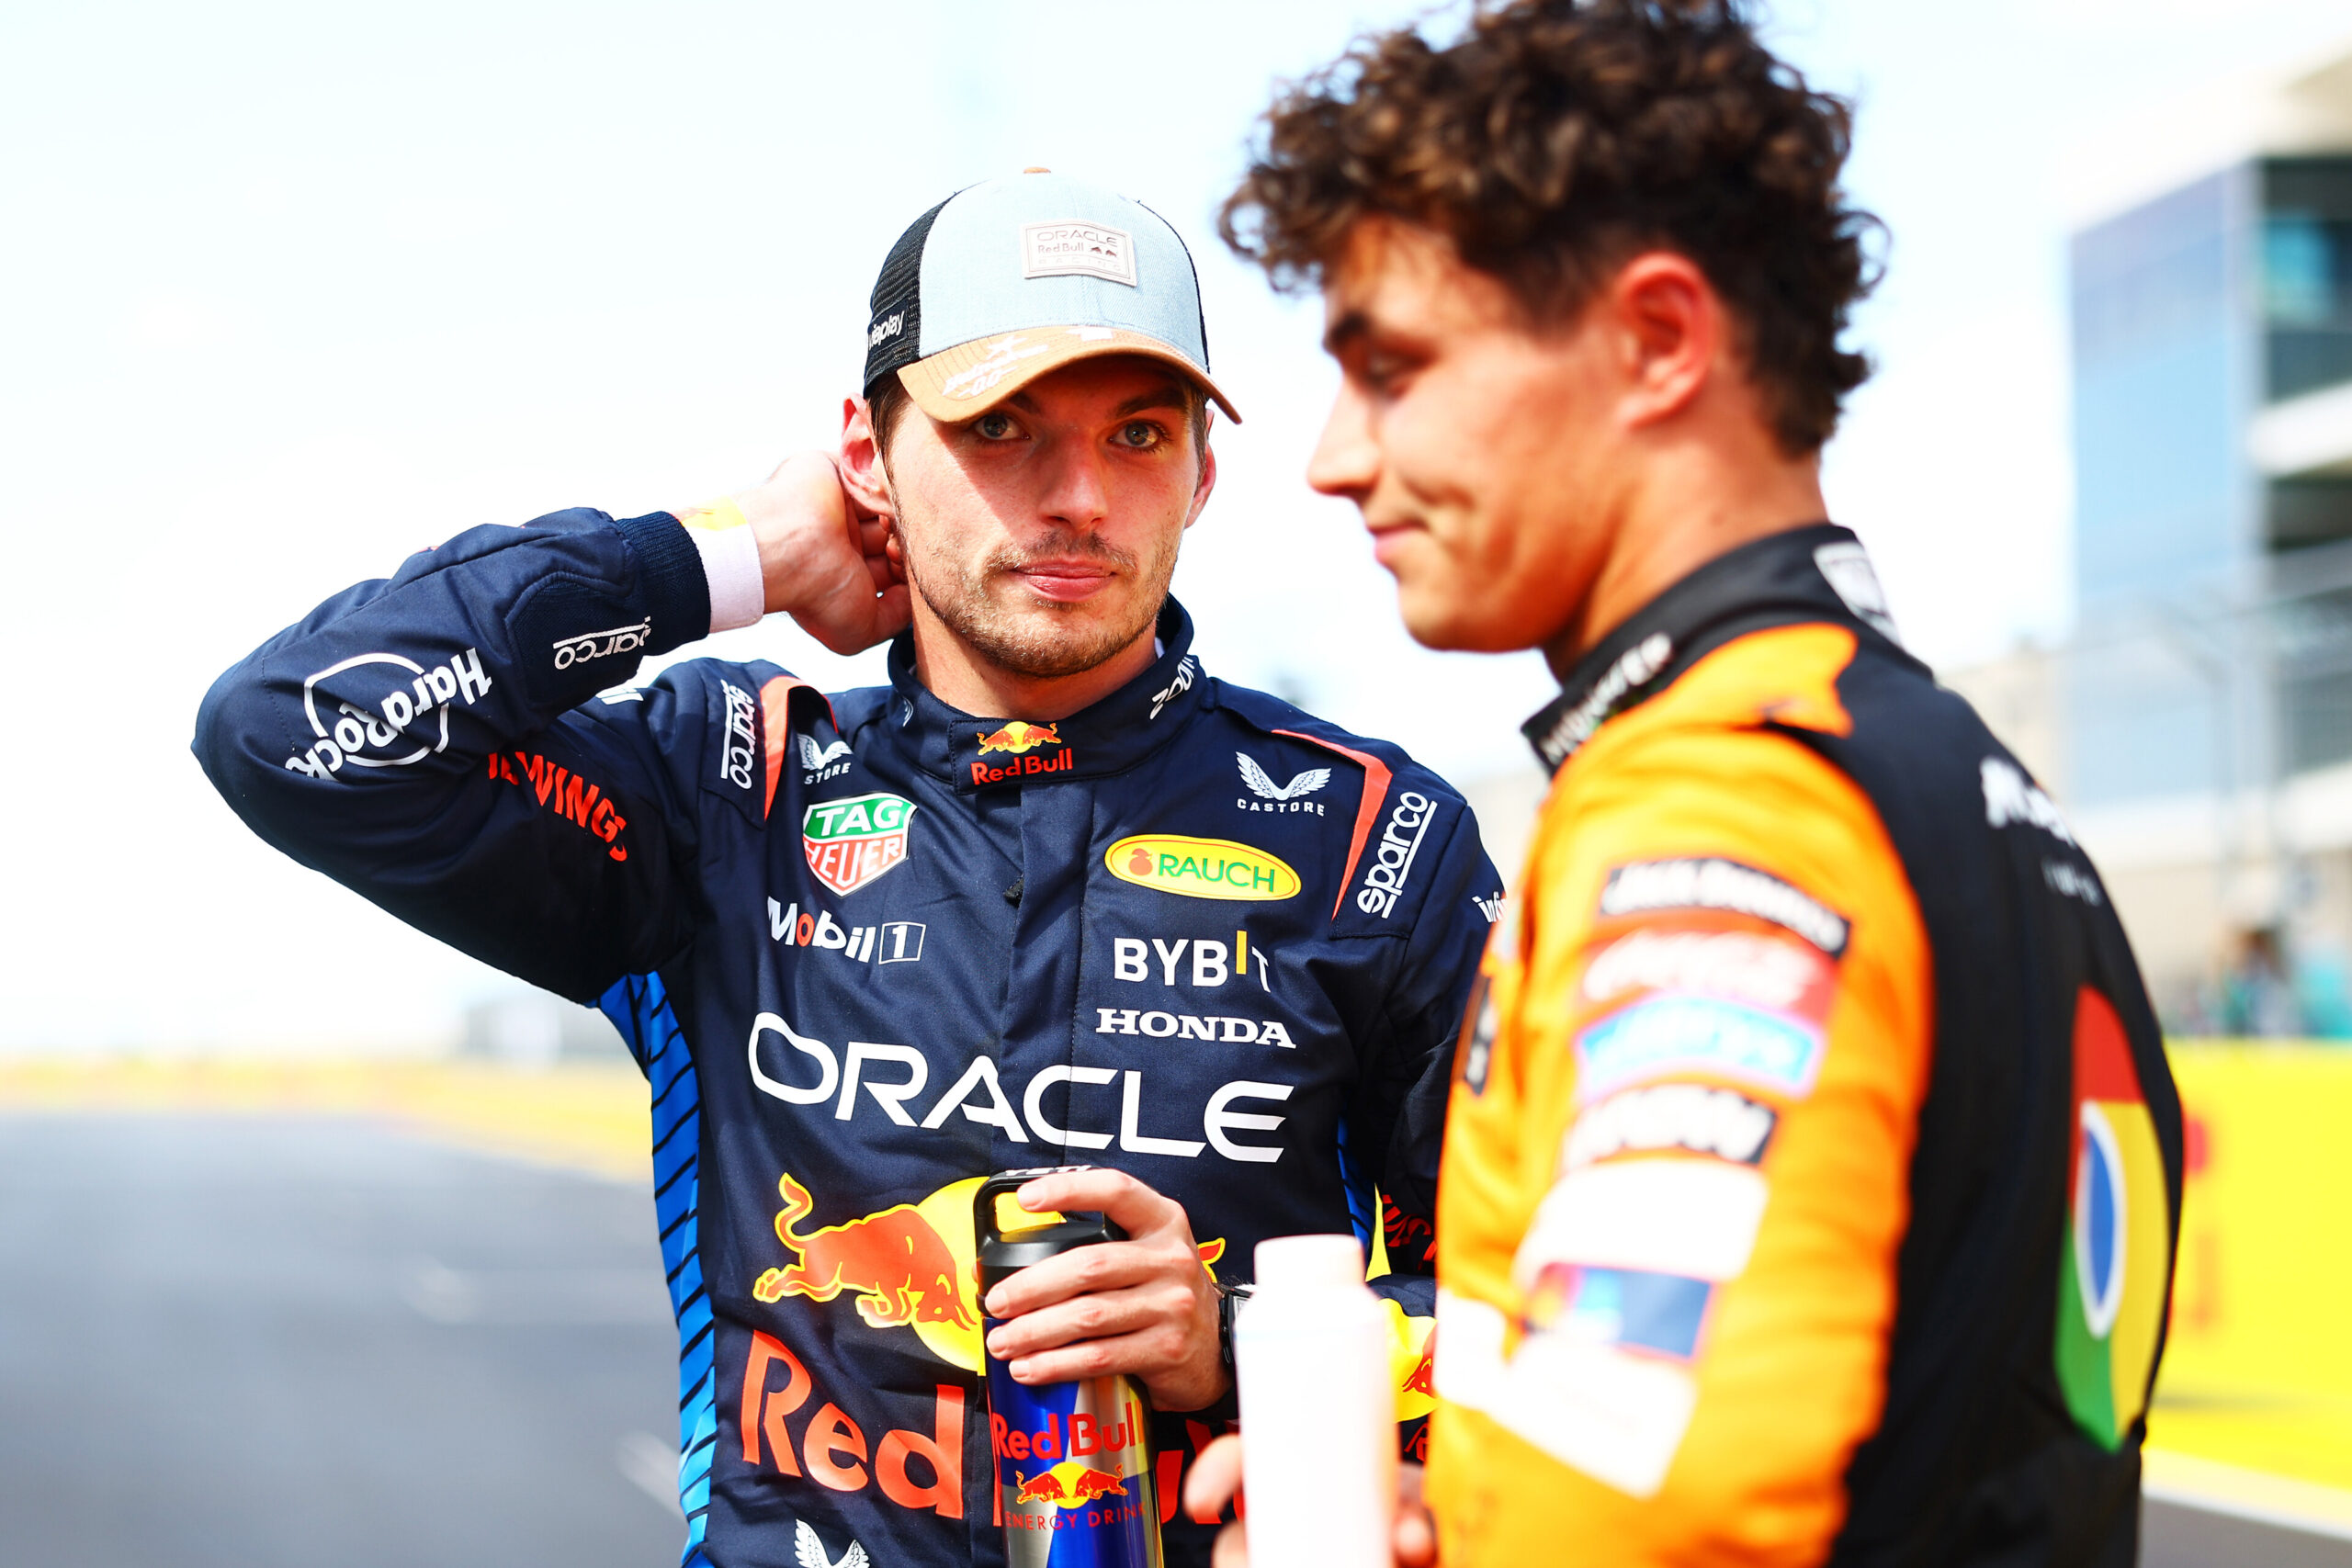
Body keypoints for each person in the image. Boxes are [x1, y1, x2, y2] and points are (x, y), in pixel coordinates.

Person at [193, 172, 1499, 1568]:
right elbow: (292, 729)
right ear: (867, 455)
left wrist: (1232, 1342)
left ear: (1204, 472)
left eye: (1139, 432)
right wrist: (732, 557)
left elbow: (1553, 1333)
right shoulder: (727, 785)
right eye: (999, 425)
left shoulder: (1375, 838)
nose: (1078, 498)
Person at [1192, 2, 2187, 1562]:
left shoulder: (1726, 800)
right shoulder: (1943, 769)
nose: (1330, 453)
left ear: (1657, 342)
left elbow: (1668, 1508)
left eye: (1392, 367)